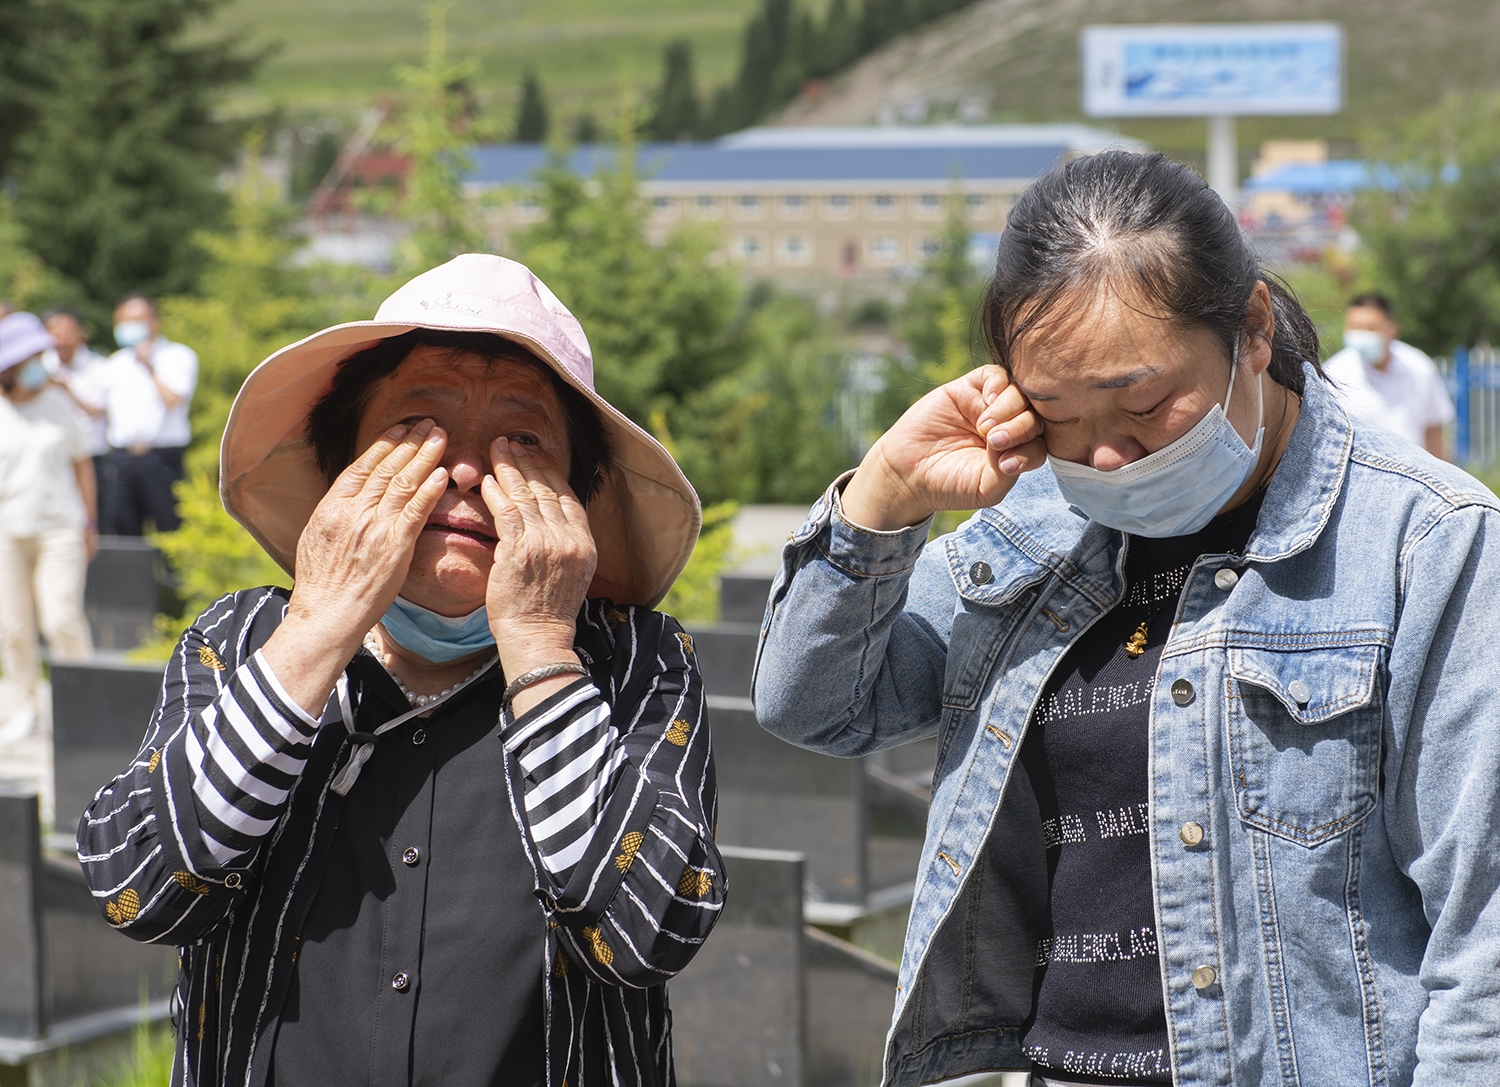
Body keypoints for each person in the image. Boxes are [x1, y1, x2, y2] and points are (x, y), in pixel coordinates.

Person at [755, 152, 1500, 1087]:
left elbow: (1485, 942)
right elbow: (812, 704)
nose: (1107, 453)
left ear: (1254, 331)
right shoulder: (1033, 529)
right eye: (1057, 411)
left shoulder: (1425, 545)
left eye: (1146, 403)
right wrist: (886, 498)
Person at [78, 254, 721, 1087]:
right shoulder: (241, 638)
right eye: (417, 431)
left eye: (521, 442)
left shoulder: (638, 662)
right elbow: (138, 885)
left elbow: (651, 933)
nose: (464, 471)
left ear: (576, 493)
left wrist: (535, 639)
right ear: (344, 472)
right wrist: (320, 626)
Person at [0, 312, 97, 739]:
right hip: (8, 531)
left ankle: (83, 705)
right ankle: (26, 708)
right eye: (32, 358)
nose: (42, 363)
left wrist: (90, 521)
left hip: (60, 529)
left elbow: (83, 464)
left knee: (61, 618)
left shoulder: (59, 404)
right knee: (13, 626)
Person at [99, 292, 198, 534]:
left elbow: (173, 401)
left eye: (135, 320)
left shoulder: (178, 356)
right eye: (122, 322)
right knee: (124, 534)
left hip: (161, 457)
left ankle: (169, 575)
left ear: (154, 321)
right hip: (122, 459)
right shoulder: (115, 363)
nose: (128, 327)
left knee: (170, 530)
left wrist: (149, 365)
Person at [1324, 293, 1454, 459]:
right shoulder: (1333, 376)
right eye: (1354, 327)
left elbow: (1433, 430)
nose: (1361, 336)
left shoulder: (1418, 366)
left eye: (1370, 328)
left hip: (1416, 475)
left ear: (1391, 330)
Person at [42, 307, 113, 509]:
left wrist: (67, 391)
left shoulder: (99, 366)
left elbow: (100, 412)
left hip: (93, 456)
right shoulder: (40, 365)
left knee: (94, 517)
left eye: (66, 331)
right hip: (54, 457)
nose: (60, 338)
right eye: (54, 332)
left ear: (82, 333)